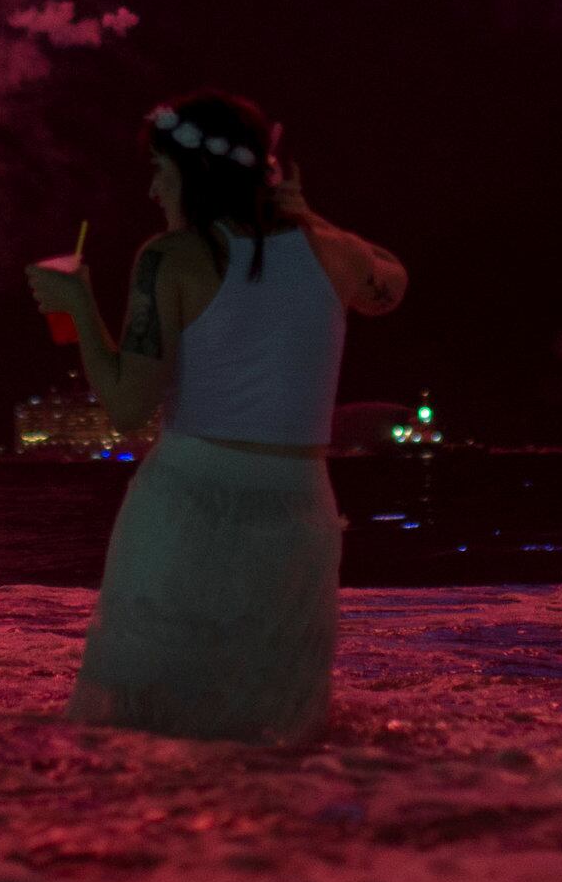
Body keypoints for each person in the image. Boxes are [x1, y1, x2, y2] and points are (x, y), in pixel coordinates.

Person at [28, 93, 408, 747]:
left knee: (145, 731)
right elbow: (393, 283)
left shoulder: (168, 259)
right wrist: (306, 212)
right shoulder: (336, 253)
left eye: (161, 170)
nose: (152, 188)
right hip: (298, 513)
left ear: (196, 175)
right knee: (278, 732)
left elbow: (126, 409)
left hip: (186, 507)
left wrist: (78, 310)